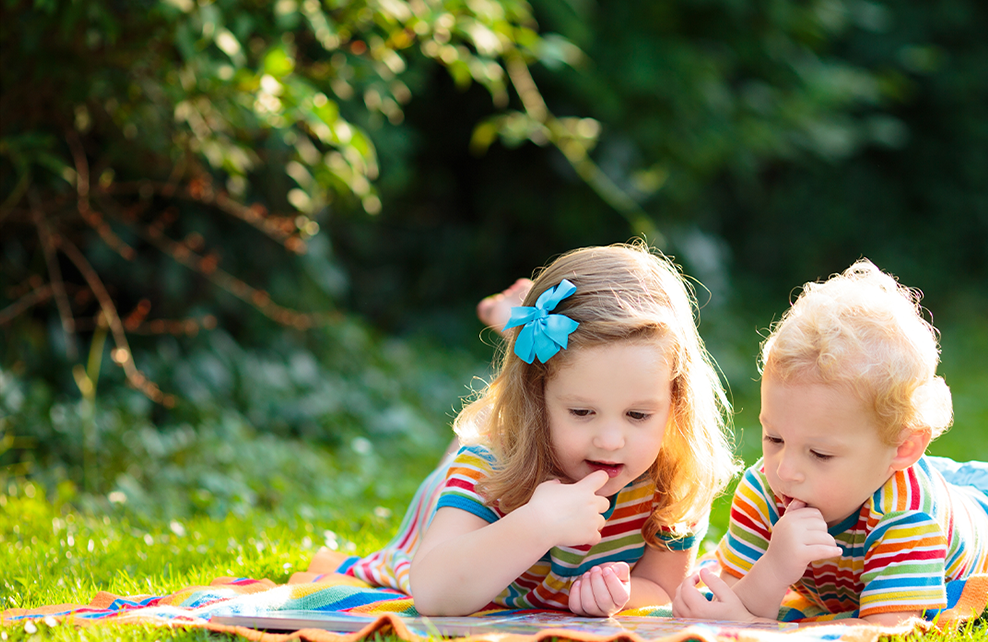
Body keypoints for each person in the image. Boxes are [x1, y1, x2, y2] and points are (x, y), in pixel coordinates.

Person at [314, 243, 739, 616]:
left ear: (676, 402)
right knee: (476, 441)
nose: (611, 441)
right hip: (507, 466)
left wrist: (616, 597)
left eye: (638, 416)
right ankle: (517, 333)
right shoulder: (489, 465)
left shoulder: (672, 476)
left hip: (537, 429)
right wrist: (537, 524)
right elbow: (432, 592)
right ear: (538, 400)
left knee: (523, 411)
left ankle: (519, 333)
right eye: (582, 412)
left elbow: (661, 587)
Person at [672, 260, 988, 624]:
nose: (785, 469)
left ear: (901, 450)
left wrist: (754, 625)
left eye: (820, 453)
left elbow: (886, 630)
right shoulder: (764, 489)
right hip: (908, 479)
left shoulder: (908, 517)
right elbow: (728, 600)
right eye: (774, 437)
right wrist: (773, 568)